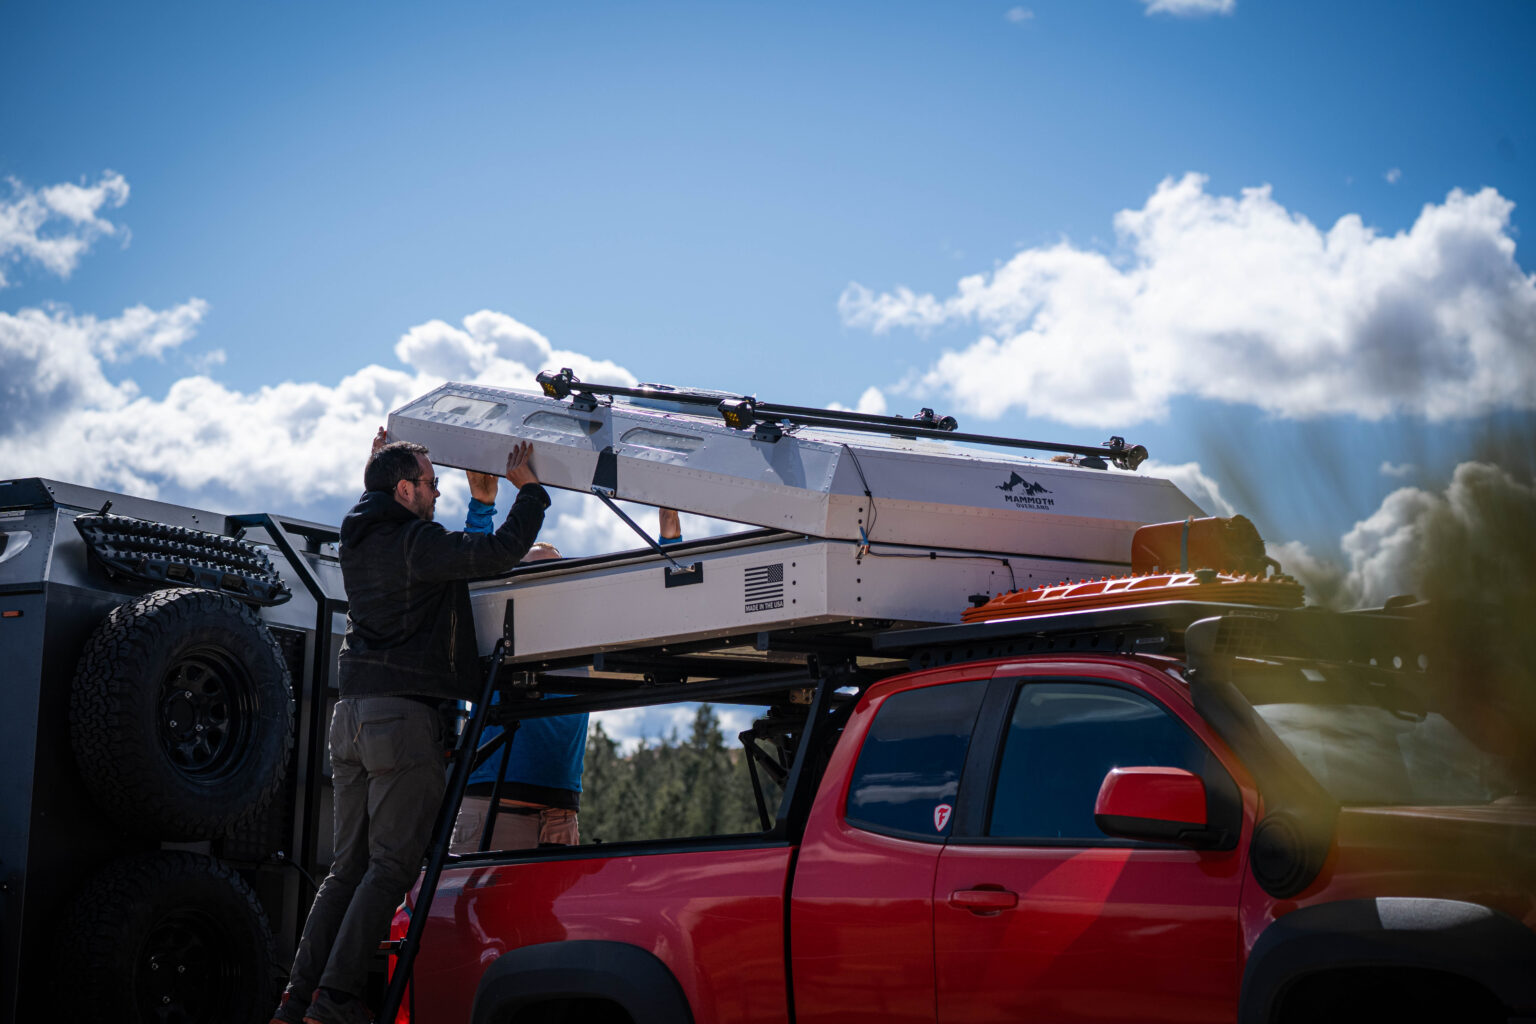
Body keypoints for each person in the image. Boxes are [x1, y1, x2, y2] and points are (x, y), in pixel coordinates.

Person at [270, 437, 550, 1024]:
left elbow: (389, 501)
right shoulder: (417, 543)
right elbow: (498, 551)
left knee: (346, 868)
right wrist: (529, 490)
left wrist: (380, 459)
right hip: (403, 721)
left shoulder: (358, 534)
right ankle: (336, 1001)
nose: (438, 490)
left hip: (351, 717)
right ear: (405, 491)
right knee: (392, 867)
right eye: (429, 482)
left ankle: (297, 1000)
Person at [449, 480, 684, 852]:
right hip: (494, 808)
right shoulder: (494, 630)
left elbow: (654, 608)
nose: (544, 585)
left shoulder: (581, 638)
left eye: (553, 575)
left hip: (559, 816)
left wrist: (670, 537)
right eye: (533, 575)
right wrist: (481, 505)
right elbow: (476, 569)